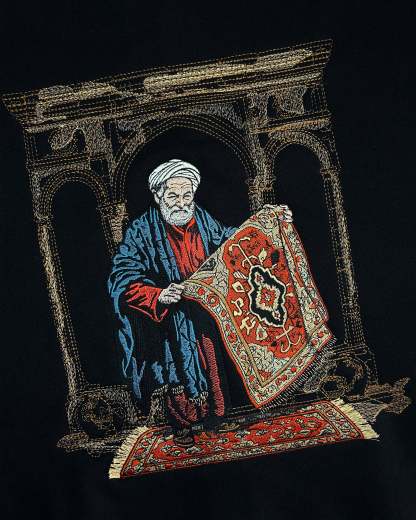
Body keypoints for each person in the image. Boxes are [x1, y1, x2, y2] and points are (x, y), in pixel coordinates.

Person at [108, 159, 292, 447]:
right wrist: (157, 295)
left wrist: (267, 222)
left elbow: (231, 242)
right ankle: (183, 427)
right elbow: (121, 278)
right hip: (167, 320)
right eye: (173, 196)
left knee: (212, 367)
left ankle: (213, 421)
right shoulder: (140, 231)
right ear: (157, 196)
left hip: (203, 312)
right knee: (175, 372)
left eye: (186, 195)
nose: (181, 203)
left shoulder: (202, 219)